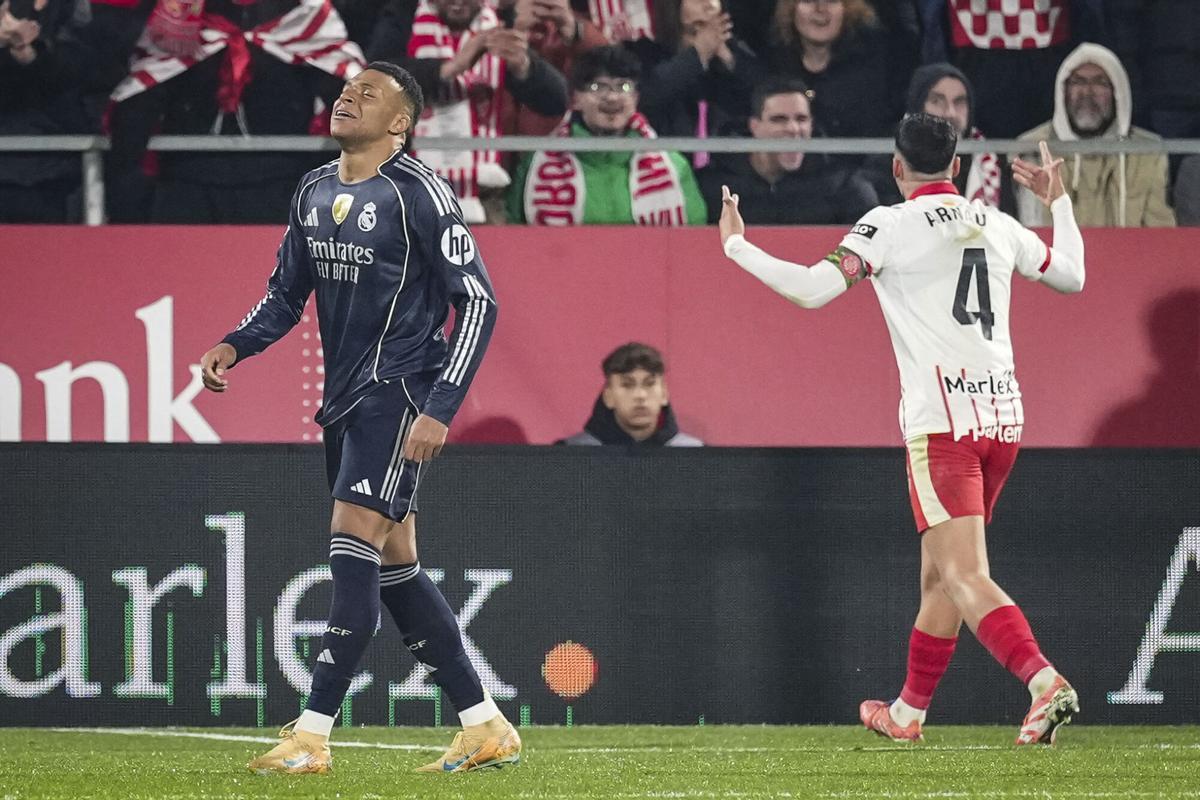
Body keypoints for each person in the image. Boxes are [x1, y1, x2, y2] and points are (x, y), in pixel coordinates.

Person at [718, 113, 1085, 745]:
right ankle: (909, 713)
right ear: (958, 167)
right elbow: (1072, 276)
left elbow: (811, 290)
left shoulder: (886, 224)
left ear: (896, 168)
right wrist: (1062, 203)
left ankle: (1043, 682)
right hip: (1003, 419)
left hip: (941, 425)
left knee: (965, 573)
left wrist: (735, 245)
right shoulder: (996, 223)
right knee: (941, 574)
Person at [199, 61, 518, 775]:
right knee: (396, 565)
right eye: (347, 88)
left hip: (400, 391)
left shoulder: (422, 194)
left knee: (351, 541)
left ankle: (311, 734)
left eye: (369, 93)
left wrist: (440, 407)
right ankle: (483, 723)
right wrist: (234, 343)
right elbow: (285, 293)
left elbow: (479, 301)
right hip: (346, 399)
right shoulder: (313, 189)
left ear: (401, 123)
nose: (349, 96)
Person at [367, 0, 570, 223]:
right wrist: (449, 69)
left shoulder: (498, 25)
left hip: (486, 194)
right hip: (407, 190)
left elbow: (556, 101)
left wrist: (524, 66)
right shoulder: (403, 16)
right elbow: (376, 83)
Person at [508, 44, 706, 225]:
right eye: (598, 87)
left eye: (623, 86)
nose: (612, 97)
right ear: (576, 98)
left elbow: (692, 237)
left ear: (636, 98)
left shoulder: (674, 165)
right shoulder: (535, 163)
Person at [1016, 42, 1175, 228]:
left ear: (1118, 93)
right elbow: (1027, 235)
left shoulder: (1147, 152)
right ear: (1063, 90)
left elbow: (1161, 233)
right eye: (1078, 82)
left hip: (1129, 257)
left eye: (1100, 83)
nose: (1087, 92)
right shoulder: (1031, 148)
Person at [697, 76, 876, 225]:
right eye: (779, 119)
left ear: (811, 125)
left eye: (801, 119)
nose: (793, 128)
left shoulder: (845, 186)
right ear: (755, 127)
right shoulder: (714, 187)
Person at [867, 63, 1009, 209]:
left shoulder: (991, 163)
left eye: (959, 102)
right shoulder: (886, 159)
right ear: (917, 106)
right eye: (937, 101)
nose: (950, 113)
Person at [766, 0, 906, 140]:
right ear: (790, 10)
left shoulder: (881, 64)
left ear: (847, 10)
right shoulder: (772, 66)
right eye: (808, 1)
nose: (820, 9)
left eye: (831, 1)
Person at [558, 342, 702, 446]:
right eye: (627, 385)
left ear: (664, 394)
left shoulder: (698, 459)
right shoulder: (568, 456)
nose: (640, 395)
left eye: (649, 384)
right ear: (608, 397)